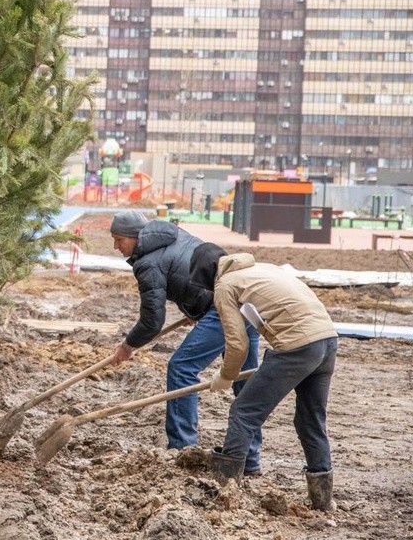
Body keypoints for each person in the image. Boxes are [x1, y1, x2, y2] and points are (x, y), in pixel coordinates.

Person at [107, 211, 262, 473]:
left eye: (120, 239)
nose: (116, 246)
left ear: (136, 237)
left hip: (224, 307)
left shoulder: (147, 263)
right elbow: (196, 271)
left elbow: (152, 321)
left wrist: (128, 346)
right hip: (246, 301)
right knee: (244, 382)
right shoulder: (175, 234)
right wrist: (194, 309)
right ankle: (248, 459)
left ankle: (182, 450)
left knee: (181, 368)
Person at [191, 245, 338, 510]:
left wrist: (226, 376)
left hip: (296, 346)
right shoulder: (262, 269)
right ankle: (322, 500)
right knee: (310, 419)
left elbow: (237, 343)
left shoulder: (225, 285)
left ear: (206, 275)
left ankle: (226, 492)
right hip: (327, 340)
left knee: (244, 412)